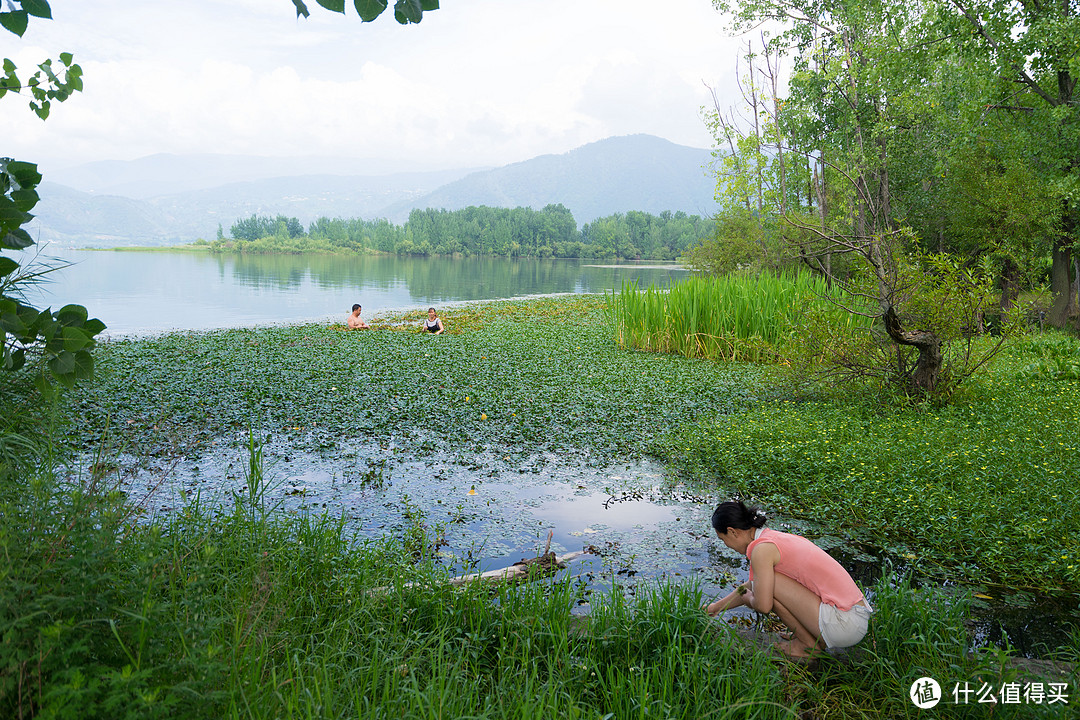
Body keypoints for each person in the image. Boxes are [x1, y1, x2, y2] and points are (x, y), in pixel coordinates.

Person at [703, 500, 872, 658]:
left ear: (732, 531)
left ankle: (806, 646)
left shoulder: (761, 550)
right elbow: (751, 585)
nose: (726, 545)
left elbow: (763, 605)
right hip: (853, 617)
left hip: (845, 624)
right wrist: (715, 607)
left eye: (723, 539)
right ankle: (811, 638)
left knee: (768, 589)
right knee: (765, 585)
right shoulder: (771, 539)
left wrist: (749, 599)